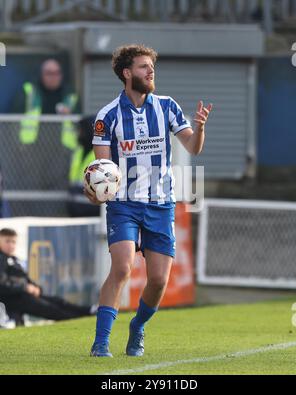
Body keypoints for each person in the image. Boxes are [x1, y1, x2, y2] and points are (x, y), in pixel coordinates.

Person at [85, 44, 212, 357]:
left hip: (160, 204)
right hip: (124, 205)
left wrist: (200, 129)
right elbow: (103, 170)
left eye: (151, 66)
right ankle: (101, 342)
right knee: (123, 268)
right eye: (143, 67)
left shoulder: (167, 106)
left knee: (157, 281)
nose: (150, 71)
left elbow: (193, 148)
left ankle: (137, 327)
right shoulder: (107, 116)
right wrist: (96, 191)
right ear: (127, 74)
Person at [10, 59, 80, 193]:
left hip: (61, 150)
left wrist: (70, 114)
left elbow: (80, 122)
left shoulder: (70, 95)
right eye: (49, 73)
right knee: (31, 186)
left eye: (57, 73)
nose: (53, 77)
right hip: (31, 149)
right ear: (41, 74)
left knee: (58, 187)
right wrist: (17, 146)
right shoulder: (29, 91)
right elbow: (13, 122)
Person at [0, 228, 96, 324]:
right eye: (7, 241)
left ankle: (90, 311)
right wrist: (25, 287)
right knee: (51, 309)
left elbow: (25, 278)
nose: (11, 245)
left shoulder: (14, 259)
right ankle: (79, 320)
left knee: (58, 301)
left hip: (22, 295)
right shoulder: (2, 259)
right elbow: (2, 284)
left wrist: (35, 287)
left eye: (13, 242)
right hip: (12, 299)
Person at [68, 115, 99, 217]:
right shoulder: (79, 151)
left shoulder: (100, 154)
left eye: (81, 130)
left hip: (93, 211)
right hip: (75, 208)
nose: (79, 133)